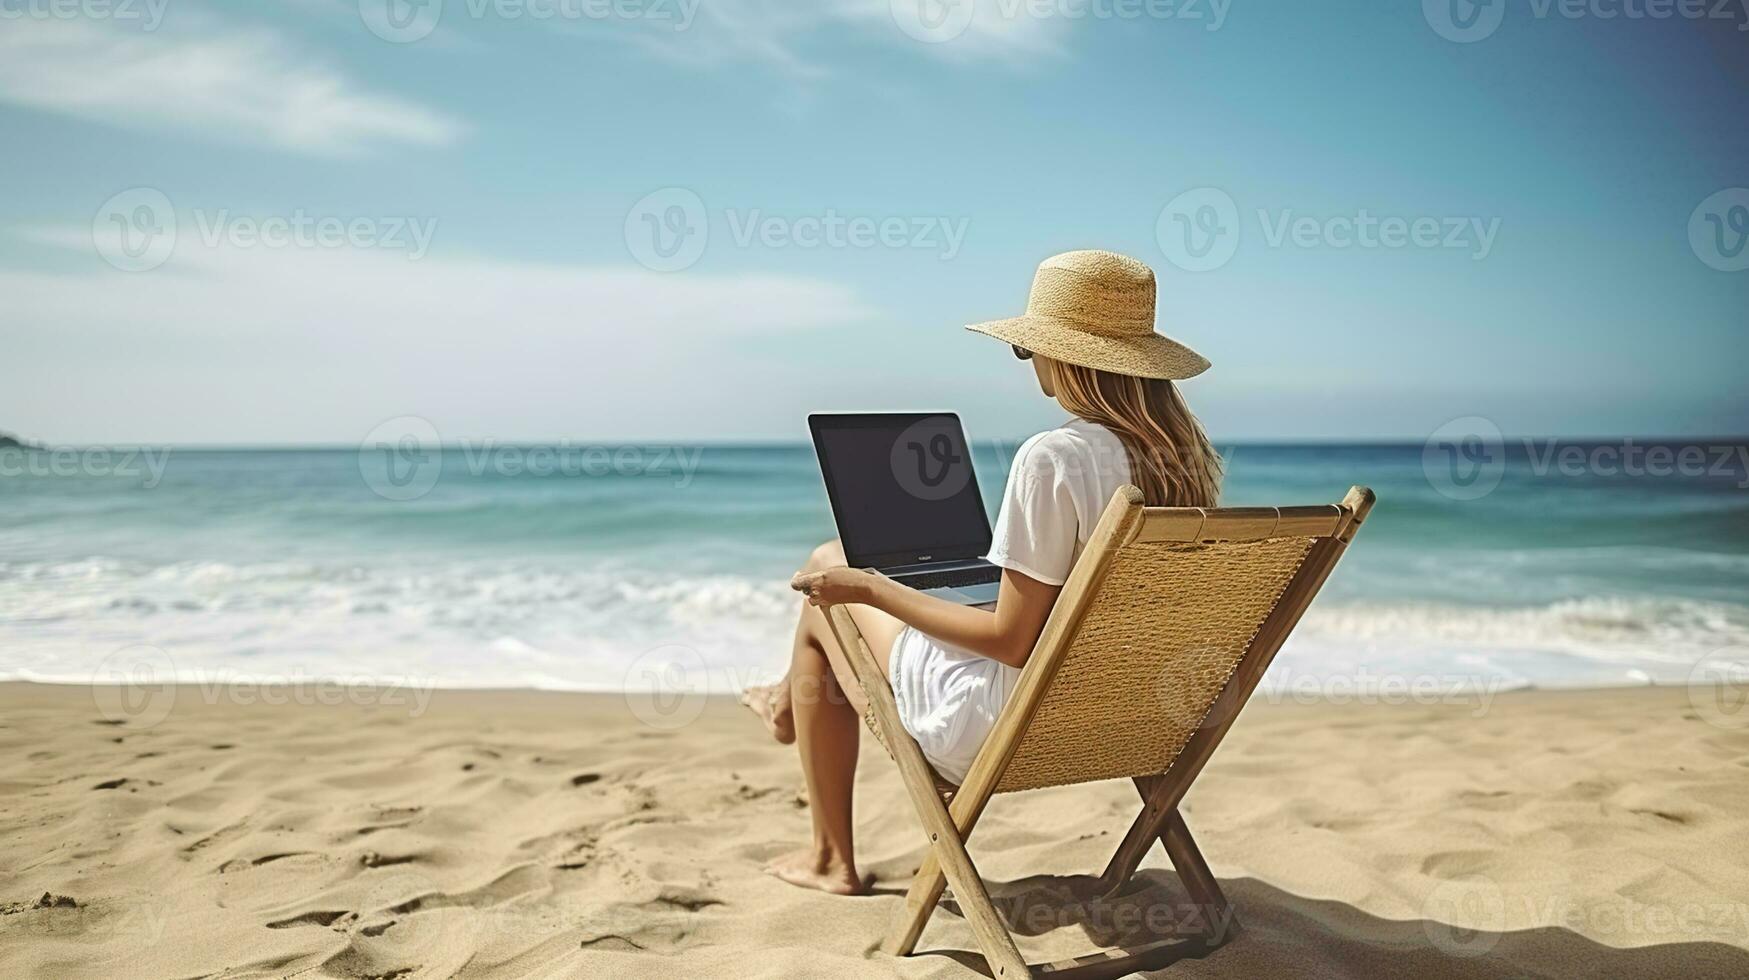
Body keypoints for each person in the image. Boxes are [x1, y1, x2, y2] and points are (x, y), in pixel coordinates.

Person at [746, 250, 1223, 895]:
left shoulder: (1055, 457)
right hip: (1126, 719)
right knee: (848, 586)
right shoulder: (1186, 466)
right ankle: (784, 704)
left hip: (1006, 725)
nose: (1030, 364)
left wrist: (873, 589)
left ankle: (829, 851)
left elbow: (1010, 641)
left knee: (829, 574)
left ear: (1067, 357)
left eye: (1030, 351)